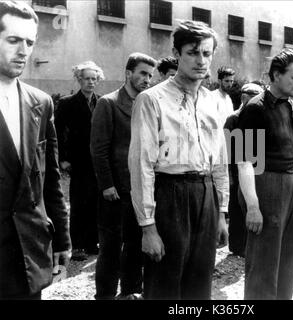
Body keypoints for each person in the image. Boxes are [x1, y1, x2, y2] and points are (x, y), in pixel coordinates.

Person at [128, 20, 229, 300]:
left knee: (200, 286)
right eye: (192, 52)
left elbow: (219, 161)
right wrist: (148, 227)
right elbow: (141, 165)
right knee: (165, 285)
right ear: (176, 53)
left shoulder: (212, 101)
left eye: (207, 54)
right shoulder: (151, 100)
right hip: (169, 196)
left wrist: (221, 213)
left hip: (205, 195)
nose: (200, 60)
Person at [0, 0, 71, 300]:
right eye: (13, 40)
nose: (24, 51)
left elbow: (51, 179)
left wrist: (63, 240)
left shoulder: (41, 103)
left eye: (29, 42)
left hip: (28, 254)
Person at [237, 49, 293, 300]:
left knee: (289, 259)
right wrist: (252, 206)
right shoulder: (254, 108)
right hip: (267, 187)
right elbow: (244, 161)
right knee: (264, 263)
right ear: (276, 75)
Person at [90, 53, 157, 300]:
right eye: (142, 73)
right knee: (110, 248)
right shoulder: (108, 103)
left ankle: (130, 292)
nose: (147, 79)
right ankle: (105, 295)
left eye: (150, 75)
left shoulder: (148, 103)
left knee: (135, 245)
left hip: (139, 188)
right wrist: (106, 184)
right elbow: (98, 149)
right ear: (128, 73)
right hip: (116, 190)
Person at [55, 61, 104, 260]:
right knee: (79, 202)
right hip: (78, 160)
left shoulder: (101, 102)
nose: (91, 82)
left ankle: (92, 243)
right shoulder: (67, 103)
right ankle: (78, 246)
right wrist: (63, 159)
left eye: (94, 79)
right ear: (79, 79)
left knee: (96, 202)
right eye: (87, 78)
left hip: (98, 161)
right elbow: (58, 132)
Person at [224, 83, 264, 257]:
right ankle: (237, 246)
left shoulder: (257, 116)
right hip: (235, 169)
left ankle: (248, 245)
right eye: (253, 95)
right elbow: (227, 149)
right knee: (237, 210)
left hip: (253, 168)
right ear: (244, 97)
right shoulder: (233, 118)